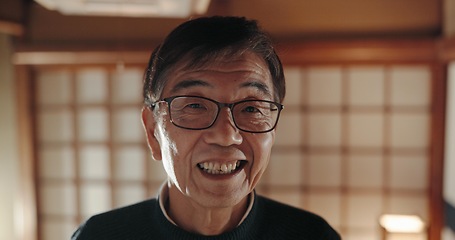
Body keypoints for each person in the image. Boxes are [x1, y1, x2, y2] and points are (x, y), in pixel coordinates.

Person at [72, 16, 341, 240]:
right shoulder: (100, 235)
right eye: (195, 106)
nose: (226, 136)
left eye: (250, 109)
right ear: (153, 131)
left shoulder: (312, 236)